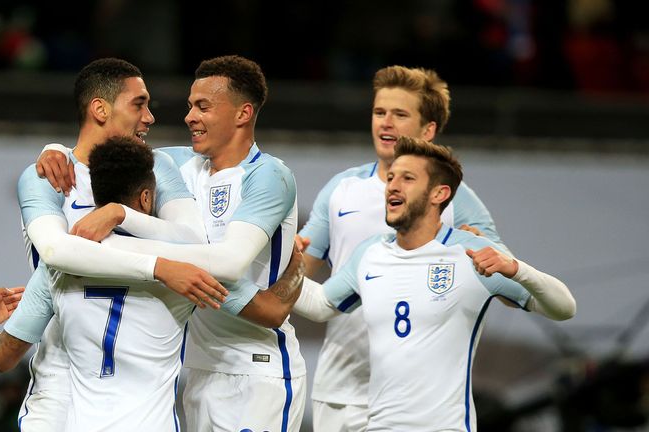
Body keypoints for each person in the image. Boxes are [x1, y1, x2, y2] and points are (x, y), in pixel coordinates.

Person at [37, 55, 307, 432]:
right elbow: (109, 145)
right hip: (193, 369)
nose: (189, 117)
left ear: (243, 114)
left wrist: (118, 227)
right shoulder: (176, 165)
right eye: (190, 106)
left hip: (254, 371)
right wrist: (55, 150)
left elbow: (229, 264)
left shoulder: (268, 176)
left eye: (203, 106)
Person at [0, 136, 305, 431]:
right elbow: (271, 310)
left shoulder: (59, 264)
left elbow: (2, 356)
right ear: (147, 198)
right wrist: (296, 267)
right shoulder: (184, 268)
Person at [0, 57, 231, 432]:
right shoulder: (48, 175)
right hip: (60, 381)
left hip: (114, 369)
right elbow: (56, 250)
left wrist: (117, 214)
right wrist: (157, 263)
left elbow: (194, 239)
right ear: (99, 108)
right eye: (139, 104)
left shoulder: (155, 164)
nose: (150, 118)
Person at [294, 136, 576, 431]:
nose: (392, 185)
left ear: (439, 193)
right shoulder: (370, 253)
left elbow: (564, 308)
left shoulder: (472, 253)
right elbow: (321, 304)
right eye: (391, 177)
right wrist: (285, 271)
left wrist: (518, 270)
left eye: (407, 178)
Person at [298, 65, 505, 432]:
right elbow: (302, 274)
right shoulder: (341, 189)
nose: (385, 123)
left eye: (400, 114)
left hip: (420, 402)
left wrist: (487, 252)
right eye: (379, 112)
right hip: (341, 392)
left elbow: (505, 279)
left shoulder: (458, 200)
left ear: (428, 130)